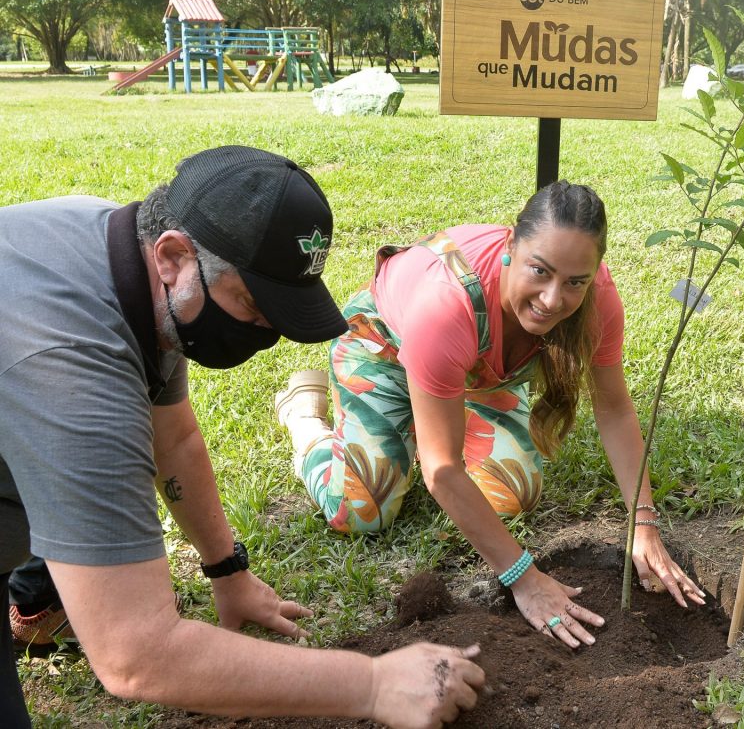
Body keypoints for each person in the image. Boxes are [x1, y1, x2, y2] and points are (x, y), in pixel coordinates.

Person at [0, 145, 483, 727]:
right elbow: (137, 654)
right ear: (173, 255)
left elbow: (173, 440)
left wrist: (226, 569)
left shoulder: (129, 266)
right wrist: (374, 683)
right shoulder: (72, 371)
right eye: (253, 304)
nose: (264, 332)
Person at [275, 181, 706, 650]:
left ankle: (428, 422)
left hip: (478, 374)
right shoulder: (445, 306)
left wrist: (643, 524)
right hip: (386, 349)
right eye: (539, 271)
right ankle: (305, 418)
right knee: (363, 513)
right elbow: (441, 473)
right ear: (510, 247)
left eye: (575, 282)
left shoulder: (597, 299)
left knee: (511, 492)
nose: (552, 299)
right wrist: (524, 578)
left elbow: (615, 407)